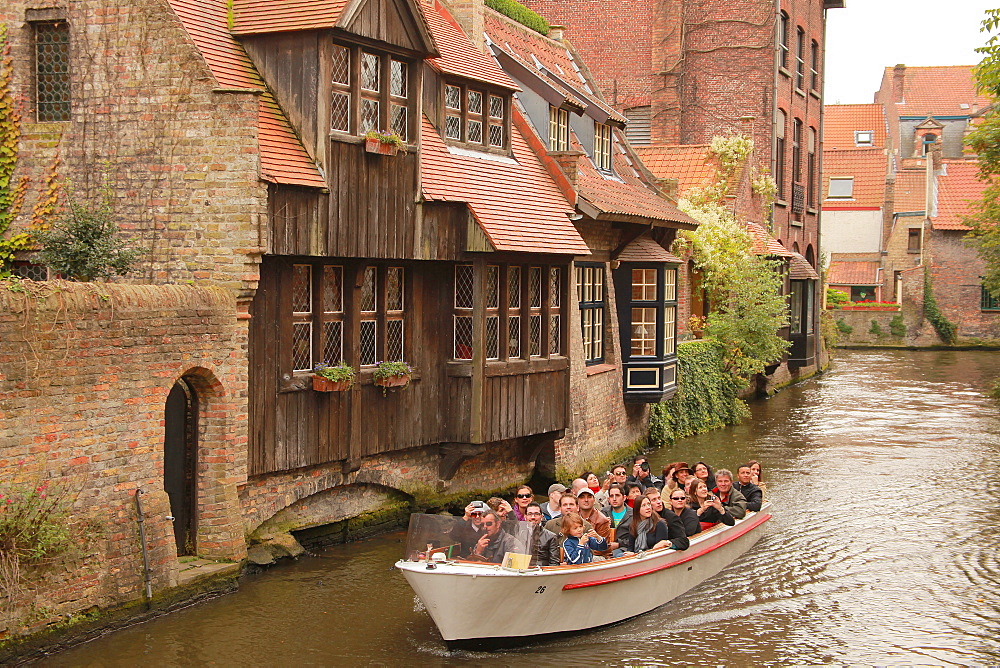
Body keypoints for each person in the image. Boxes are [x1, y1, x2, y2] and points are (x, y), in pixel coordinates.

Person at [618, 496, 688, 554]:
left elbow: (659, 549)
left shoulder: (659, 524)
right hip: (638, 557)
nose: (648, 507)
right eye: (643, 506)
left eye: (649, 504)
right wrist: (630, 553)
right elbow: (631, 548)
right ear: (637, 510)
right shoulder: (633, 525)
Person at [576, 487, 616, 555]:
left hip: (597, 556)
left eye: (589, 497)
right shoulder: (574, 516)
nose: (586, 500)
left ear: (594, 500)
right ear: (577, 501)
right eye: (582, 497)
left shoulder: (602, 520)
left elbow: (602, 548)